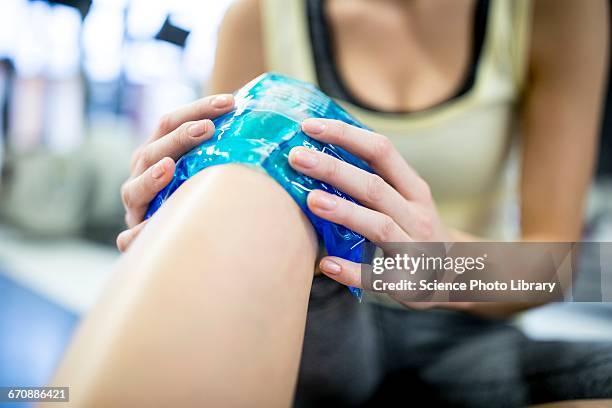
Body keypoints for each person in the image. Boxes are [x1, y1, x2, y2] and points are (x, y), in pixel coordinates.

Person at [112, 0, 611, 406]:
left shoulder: (555, 10)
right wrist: (174, 221)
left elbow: (553, 269)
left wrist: (443, 267)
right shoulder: (259, 16)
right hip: (317, 316)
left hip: (461, 331)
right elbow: (225, 206)